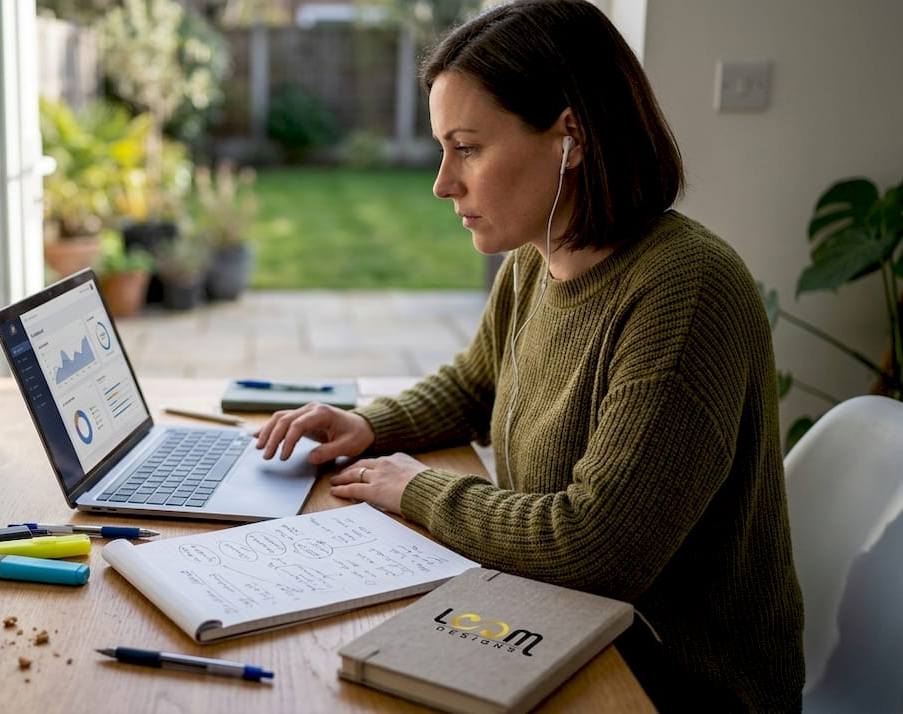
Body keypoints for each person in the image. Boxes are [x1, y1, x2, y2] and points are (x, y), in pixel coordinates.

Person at [253, 0, 804, 710]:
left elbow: (595, 547)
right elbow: (475, 383)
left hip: (671, 683)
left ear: (571, 138)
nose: (442, 182)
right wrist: (369, 425)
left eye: (467, 148)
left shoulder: (686, 292)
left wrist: (416, 488)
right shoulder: (535, 259)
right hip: (552, 626)